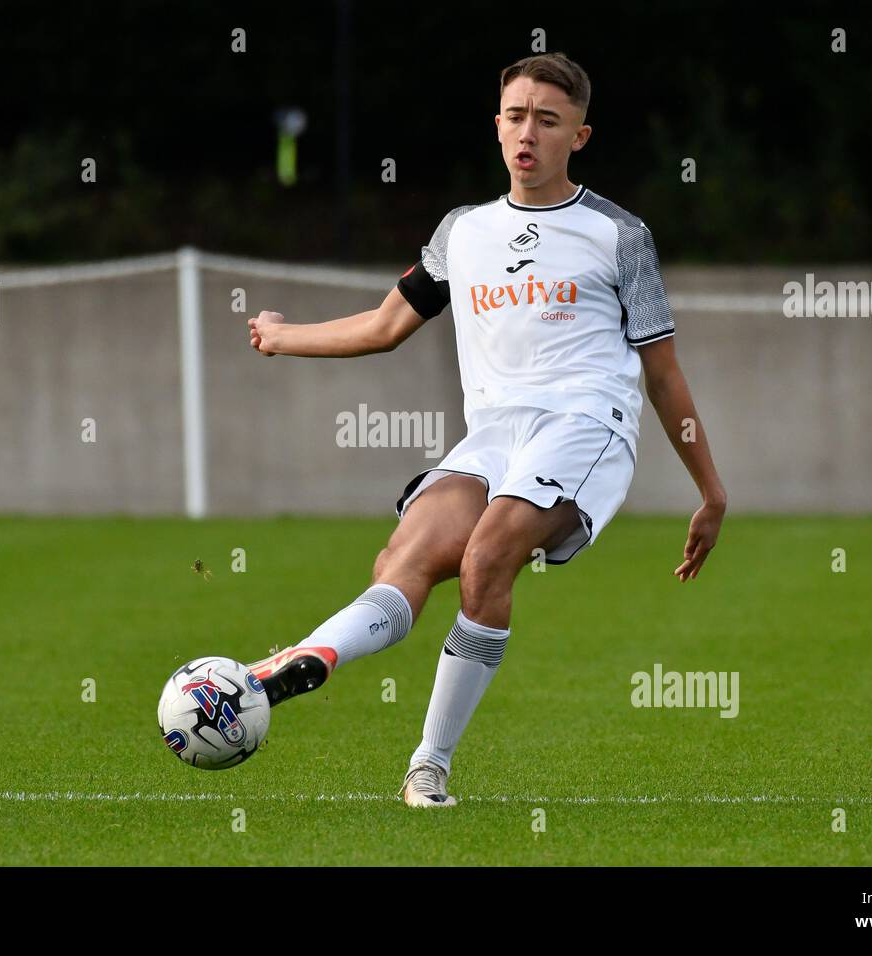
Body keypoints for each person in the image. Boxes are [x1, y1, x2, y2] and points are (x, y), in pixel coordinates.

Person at [245, 52, 726, 807]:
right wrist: (280, 335)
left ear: (580, 135)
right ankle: (306, 658)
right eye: (514, 115)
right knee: (407, 555)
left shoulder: (618, 234)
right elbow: (384, 324)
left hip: (586, 425)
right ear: (496, 126)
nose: (526, 132)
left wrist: (710, 490)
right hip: (495, 435)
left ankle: (428, 765)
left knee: (487, 557)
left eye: (547, 119)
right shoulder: (463, 232)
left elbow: (662, 373)